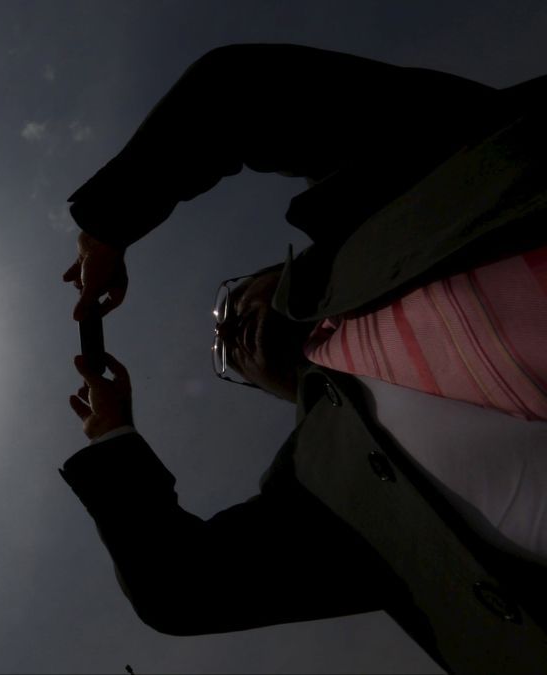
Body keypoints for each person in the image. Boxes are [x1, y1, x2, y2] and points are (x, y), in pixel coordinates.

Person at [59, 44, 547, 673]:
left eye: (227, 305)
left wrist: (108, 225)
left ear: (280, 267)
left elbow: (238, 91)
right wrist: (114, 436)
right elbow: (180, 591)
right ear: (278, 396)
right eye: (223, 353)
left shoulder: (398, 176)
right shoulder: (327, 484)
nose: (229, 329)